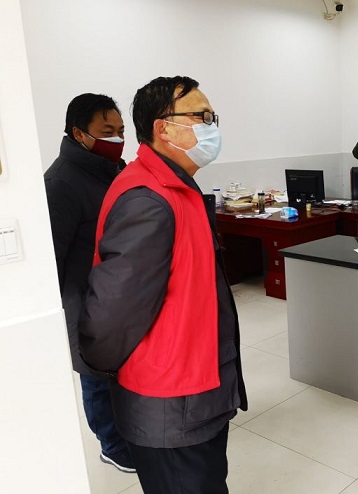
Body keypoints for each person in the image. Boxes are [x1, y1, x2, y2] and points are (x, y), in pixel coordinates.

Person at [79, 76, 247, 494]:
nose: (211, 126)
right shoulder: (148, 199)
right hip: (169, 401)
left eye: (212, 117)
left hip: (196, 389)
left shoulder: (176, 185)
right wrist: (107, 368)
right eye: (201, 116)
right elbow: (112, 315)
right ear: (163, 128)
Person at [44, 93, 135, 473]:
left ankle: (128, 431)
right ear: (79, 134)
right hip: (85, 300)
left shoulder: (112, 169)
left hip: (118, 294)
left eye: (121, 131)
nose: (117, 139)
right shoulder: (60, 183)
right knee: (96, 376)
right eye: (107, 131)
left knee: (120, 371)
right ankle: (111, 445)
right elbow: (52, 258)